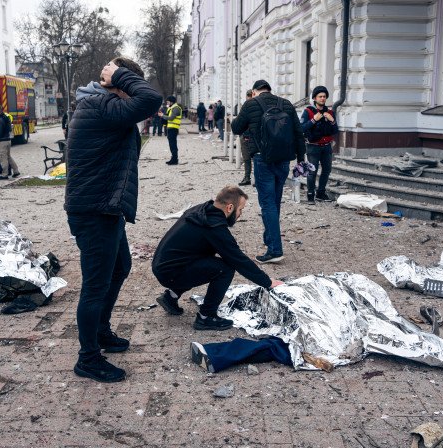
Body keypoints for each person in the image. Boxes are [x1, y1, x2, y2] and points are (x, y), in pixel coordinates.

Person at [65, 56, 162, 383]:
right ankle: (88, 359)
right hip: (95, 211)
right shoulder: (100, 105)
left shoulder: (100, 104)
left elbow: (143, 101)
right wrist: (119, 76)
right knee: (94, 286)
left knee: (120, 267)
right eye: (129, 86)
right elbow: (151, 99)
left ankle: (102, 332)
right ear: (121, 85)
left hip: (104, 206)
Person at [152, 185, 283, 330]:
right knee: (225, 268)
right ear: (230, 208)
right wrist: (267, 282)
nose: (240, 214)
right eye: (241, 210)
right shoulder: (213, 226)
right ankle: (206, 317)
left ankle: (171, 297)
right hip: (170, 271)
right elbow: (238, 259)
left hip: (164, 264)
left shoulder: (202, 210)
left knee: (205, 259)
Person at [232, 79, 305, 264]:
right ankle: (270, 239)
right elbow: (298, 133)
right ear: (270, 90)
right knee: (275, 202)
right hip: (283, 159)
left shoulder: (250, 104)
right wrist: (301, 159)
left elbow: (236, 128)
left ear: (255, 91)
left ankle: (275, 250)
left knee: (267, 204)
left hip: (262, 158)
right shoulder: (286, 104)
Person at [300, 86, 338, 203]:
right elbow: (301, 128)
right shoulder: (308, 111)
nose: (322, 98)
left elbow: (335, 130)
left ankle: (321, 193)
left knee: (327, 170)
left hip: (327, 147)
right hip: (313, 146)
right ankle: (310, 195)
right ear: (315, 98)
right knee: (312, 171)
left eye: (324, 96)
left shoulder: (330, 112)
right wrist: (313, 120)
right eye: (320, 96)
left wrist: (332, 120)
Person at [0, 104, 20, 180]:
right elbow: (9, 129)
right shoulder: (6, 117)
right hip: (8, 140)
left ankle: (5, 175)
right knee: (8, 157)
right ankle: (16, 171)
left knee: (3, 158)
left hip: (2, 141)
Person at [160, 95, 183, 165]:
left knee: (173, 144)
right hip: (171, 128)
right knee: (172, 144)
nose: (167, 103)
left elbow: (171, 118)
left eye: (168, 102)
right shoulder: (172, 107)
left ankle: (174, 159)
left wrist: (162, 116)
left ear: (171, 102)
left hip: (173, 128)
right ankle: (173, 158)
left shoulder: (175, 108)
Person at [238, 90, 254, 186]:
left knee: (250, 158)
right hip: (246, 135)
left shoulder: (248, 106)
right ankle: (248, 177)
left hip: (249, 136)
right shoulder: (246, 106)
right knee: (247, 158)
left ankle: (248, 177)